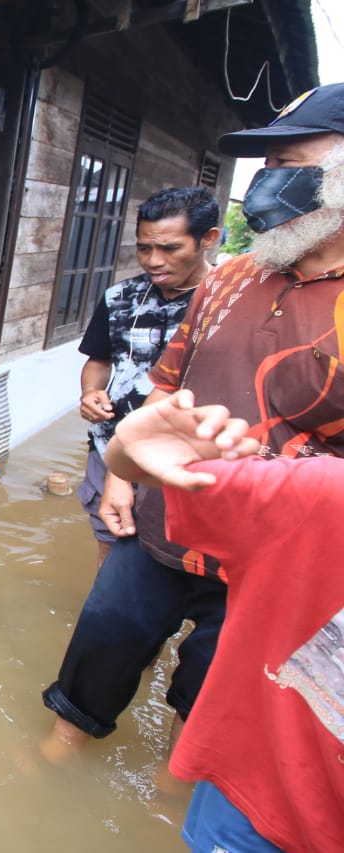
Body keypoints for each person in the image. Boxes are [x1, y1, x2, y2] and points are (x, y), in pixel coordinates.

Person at [42, 82, 344, 764]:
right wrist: (124, 472)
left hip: (268, 553)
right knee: (106, 630)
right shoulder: (232, 278)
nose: (268, 185)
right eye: (263, 168)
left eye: (288, 163)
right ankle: (55, 752)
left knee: (213, 679)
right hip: (163, 514)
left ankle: (175, 787)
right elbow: (165, 385)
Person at [104, 391, 343, 853]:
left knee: (196, 669)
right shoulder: (323, 495)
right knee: (112, 634)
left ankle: (170, 782)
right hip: (259, 800)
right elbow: (146, 459)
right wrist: (123, 453)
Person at [76, 188, 219, 566]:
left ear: (208, 239)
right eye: (143, 248)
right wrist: (91, 392)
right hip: (110, 445)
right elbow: (99, 360)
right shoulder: (120, 297)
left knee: (180, 550)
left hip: (186, 455)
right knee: (110, 535)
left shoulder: (228, 302)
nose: (153, 261)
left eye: (170, 248)